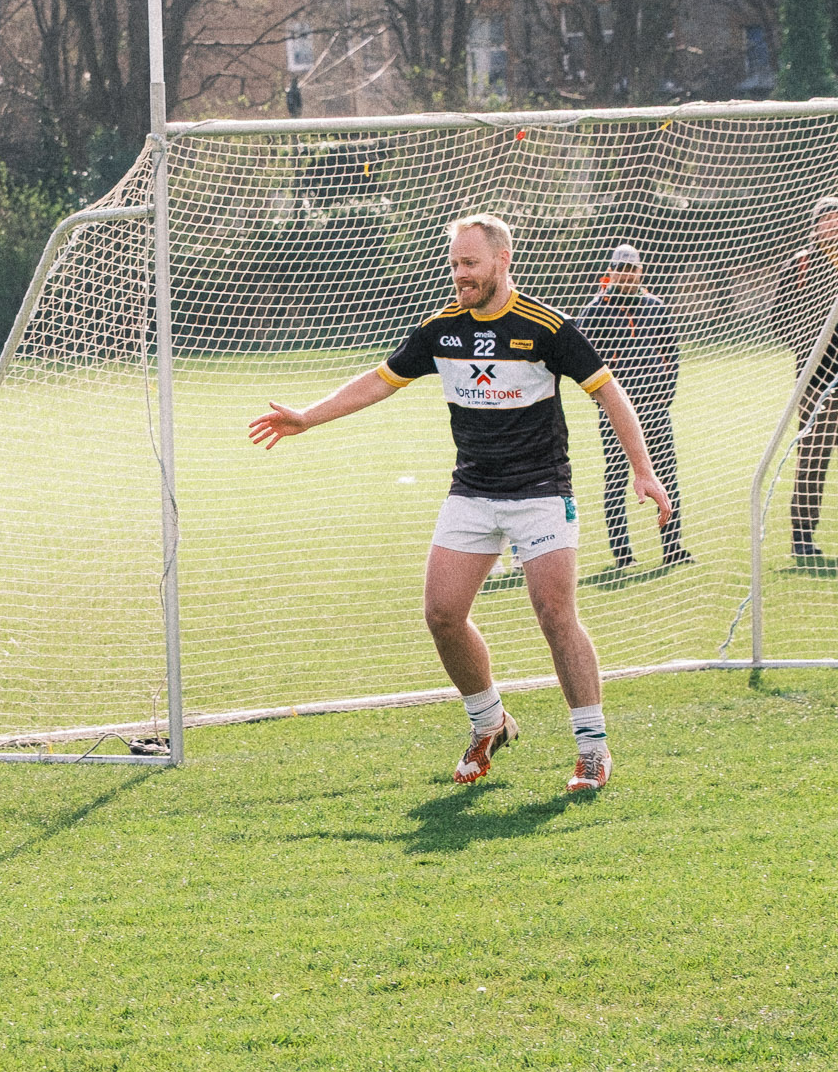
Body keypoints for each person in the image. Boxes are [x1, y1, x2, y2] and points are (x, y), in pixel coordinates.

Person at [249, 214, 672, 794]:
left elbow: (610, 393)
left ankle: (592, 748)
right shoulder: (441, 330)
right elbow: (379, 380)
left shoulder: (547, 327)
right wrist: (308, 417)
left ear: (502, 260)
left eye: (470, 263)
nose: (460, 274)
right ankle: (489, 721)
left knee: (555, 614)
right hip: (471, 491)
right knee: (442, 614)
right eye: (454, 264)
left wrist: (642, 470)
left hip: (541, 492)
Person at [574, 243, 690, 568]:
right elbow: (583, 361)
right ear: (610, 272)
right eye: (621, 270)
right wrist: (602, 400)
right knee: (617, 478)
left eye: (632, 269)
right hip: (616, 413)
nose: (627, 275)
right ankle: (623, 555)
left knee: (666, 474)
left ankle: (673, 548)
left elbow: (671, 353)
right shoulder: (595, 310)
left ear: (641, 271)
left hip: (655, 407)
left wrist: (665, 393)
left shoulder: (655, 306)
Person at [768, 196, 838, 562]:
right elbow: (779, 320)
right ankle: (802, 537)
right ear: (815, 225)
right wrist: (812, 343)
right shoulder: (801, 264)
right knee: (813, 458)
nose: (833, 225)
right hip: (817, 382)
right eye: (827, 219)